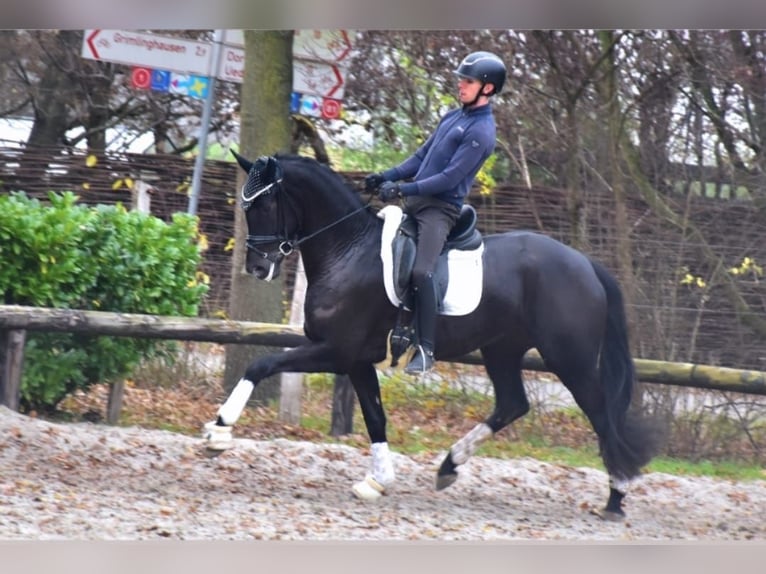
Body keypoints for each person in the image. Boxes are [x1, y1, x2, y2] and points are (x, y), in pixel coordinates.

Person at [365, 50, 506, 375]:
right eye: (461, 79)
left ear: (487, 88)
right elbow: (420, 157)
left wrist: (403, 189)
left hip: (440, 211)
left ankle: (426, 350)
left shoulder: (482, 132)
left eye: (467, 81)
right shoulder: (453, 117)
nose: (460, 85)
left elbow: (449, 179)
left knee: (421, 273)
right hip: (416, 204)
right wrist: (387, 175)